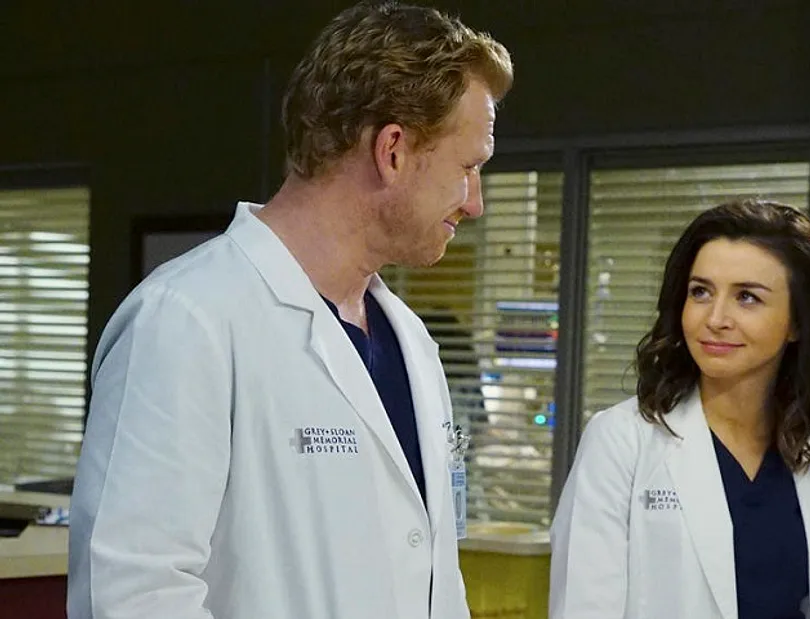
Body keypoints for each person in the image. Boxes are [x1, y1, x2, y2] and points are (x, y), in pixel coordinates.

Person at [67, 2, 512, 618]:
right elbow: (133, 594)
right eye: (468, 167)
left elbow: (435, 575)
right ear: (392, 150)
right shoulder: (187, 321)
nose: (476, 203)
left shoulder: (411, 342)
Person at [549, 199, 810, 619]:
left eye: (747, 297)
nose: (715, 318)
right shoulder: (622, 443)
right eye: (700, 292)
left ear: (798, 323)